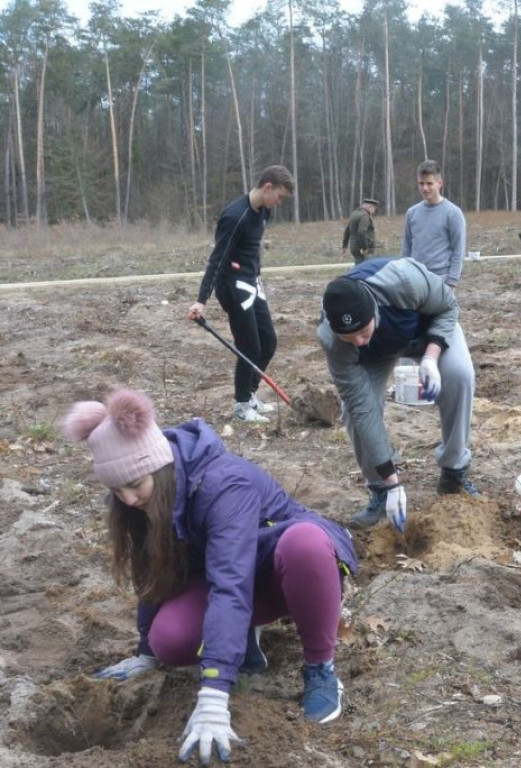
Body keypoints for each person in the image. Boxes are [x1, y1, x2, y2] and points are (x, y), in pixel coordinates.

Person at [62, 388, 357, 764]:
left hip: (282, 566)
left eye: (135, 486)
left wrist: (215, 694)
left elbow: (231, 585)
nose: (129, 499)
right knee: (169, 641)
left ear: (158, 466)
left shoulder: (223, 484)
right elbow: (153, 569)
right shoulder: (139, 494)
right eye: (117, 490)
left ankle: (320, 667)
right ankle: (242, 639)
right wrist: (146, 650)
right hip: (226, 572)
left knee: (306, 544)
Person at [317, 256, 479, 531]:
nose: (357, 340)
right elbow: (362, 406)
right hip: (378, 354)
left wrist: (431, 357)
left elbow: (449, 307)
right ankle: (380, 491)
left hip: (427, 331)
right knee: (353, 413)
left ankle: (453, 471)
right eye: (349, 337)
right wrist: (392, 481)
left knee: (459, 376)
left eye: (362, 330)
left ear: (373, 312)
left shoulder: (404, 280)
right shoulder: (334, 341)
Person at [187, 165, 295, 424]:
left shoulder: (264, 212)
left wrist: (256, 274)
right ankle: (241, 404)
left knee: (268, 341)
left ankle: (251, 393)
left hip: (251, 281)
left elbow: (252, 249)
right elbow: (217, 260)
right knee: (249, 346)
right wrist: (202, 300)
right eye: (278, 196)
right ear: (267, 187)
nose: (278, 203)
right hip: (233, 286)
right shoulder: (235, 216)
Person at [400, 160, 466, 288]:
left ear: (440, 183)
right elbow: (406, 249)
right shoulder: (411, 213)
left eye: (429, 183)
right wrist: (403, 275)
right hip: (415, 279)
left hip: (441, 280)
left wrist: (452, 281)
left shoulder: (453, 213)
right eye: (421, 183)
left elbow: (458, 250)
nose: (425, 188)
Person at [343, 197, 379, 263]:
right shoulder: (365, 216)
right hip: (362, 248)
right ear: (370, 207)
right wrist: (364, 248)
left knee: (359, 265)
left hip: (353, 247)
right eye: (374, 208)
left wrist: (344, 246)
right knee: (366, 267)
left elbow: (347, 230)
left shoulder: (354, 214)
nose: (374, 211)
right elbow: (362, 232)